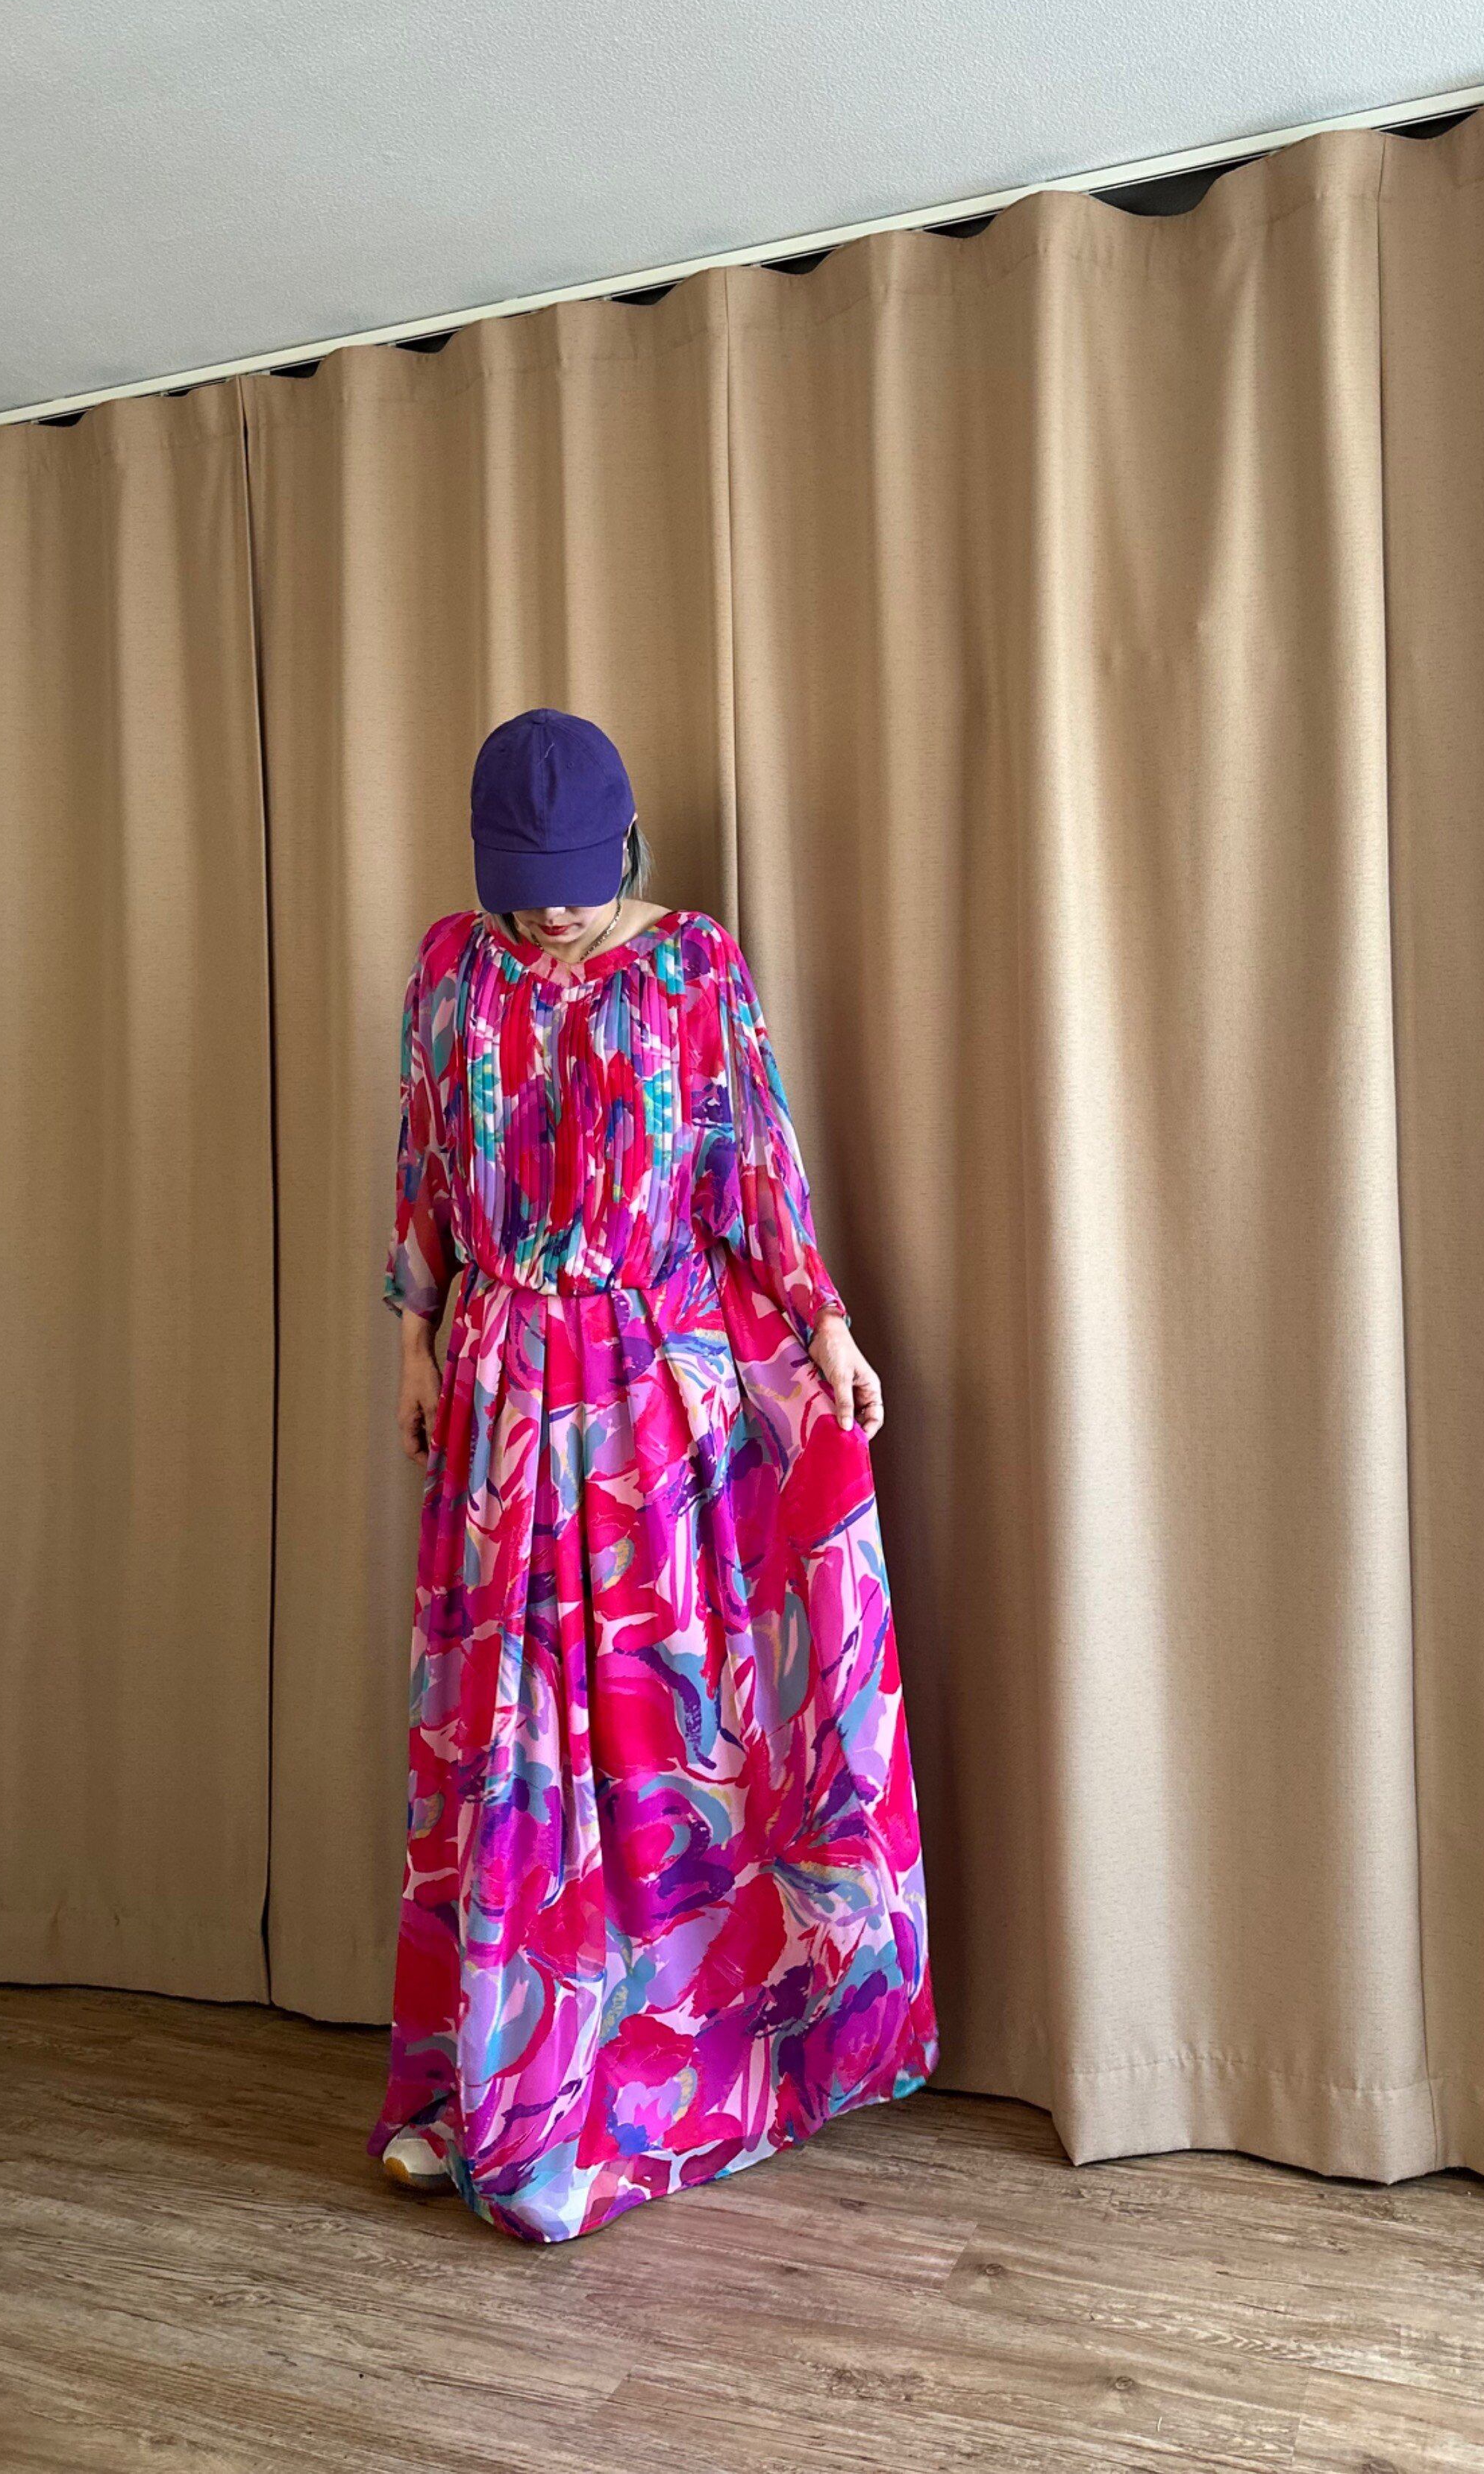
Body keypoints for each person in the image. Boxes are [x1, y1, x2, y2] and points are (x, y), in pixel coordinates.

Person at [369, 707, 938, 2242]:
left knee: (656, 1744)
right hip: (501, 1402)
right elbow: (425, 1161)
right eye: (524, 884)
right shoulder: (450, 971)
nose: (553, 911)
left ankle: (647, 2073)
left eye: (576, 878)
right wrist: (416, 1339)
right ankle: (490, 2083)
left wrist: (827, 1328)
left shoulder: (694, 967)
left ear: (622, 847)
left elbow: (757, 1164)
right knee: (505, 1745)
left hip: (653, 1416)